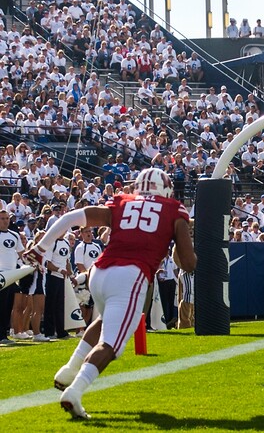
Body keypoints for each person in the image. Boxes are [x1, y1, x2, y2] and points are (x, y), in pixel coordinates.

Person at [23, 168, 196, 419]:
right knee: (112, 345)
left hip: (100, 273)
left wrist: (41, 248)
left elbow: (71, 217)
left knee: (104, 321)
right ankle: (75, 391)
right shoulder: (174, 209)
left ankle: (69, 369)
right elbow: (188, 264)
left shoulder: (123, 201)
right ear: (167, 189)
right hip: (131, 276)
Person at [0, 210, 23, 345]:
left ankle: (3, 334)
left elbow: (22, 253)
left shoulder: (15, 235)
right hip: (1, 275)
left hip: (12, 275)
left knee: (8, 305)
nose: (5, 221)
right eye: (2, 218)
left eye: (7, 218)